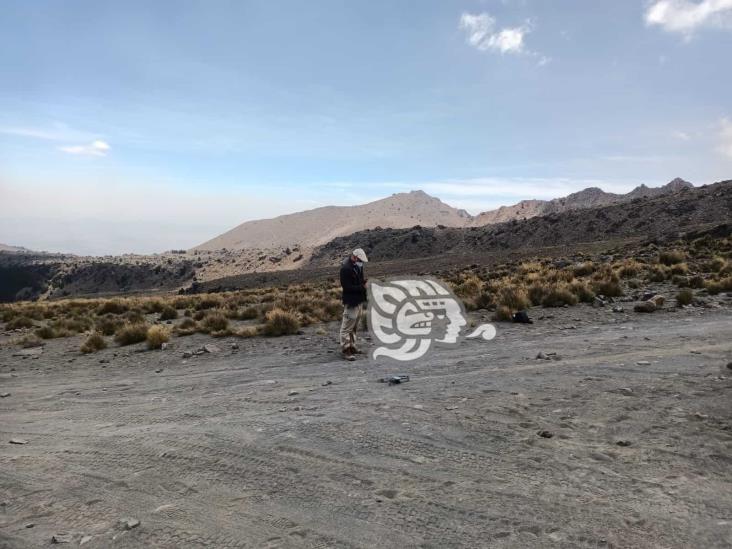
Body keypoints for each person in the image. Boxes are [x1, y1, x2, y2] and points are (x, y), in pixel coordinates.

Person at [339, 248, 368, 361]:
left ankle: (352, 346)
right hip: (351, 302)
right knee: (346, 327)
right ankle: (346, 349)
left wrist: (363, 284)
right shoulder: (345, 269)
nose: (362, 263)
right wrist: (362, 287)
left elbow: (358, 282)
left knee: (354, 326)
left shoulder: (358, 267)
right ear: (355, 257)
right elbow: (347, 287)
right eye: (361, 260)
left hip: (358, 301)